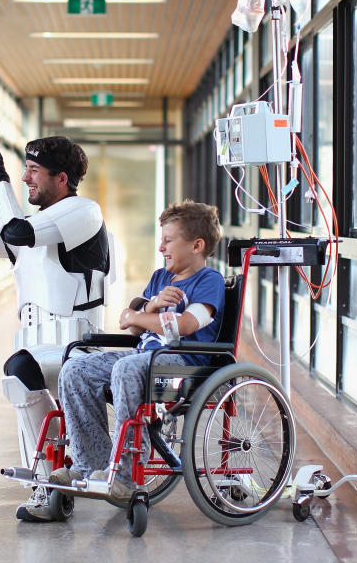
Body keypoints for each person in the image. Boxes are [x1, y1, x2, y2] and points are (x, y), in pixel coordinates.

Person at [48, 201, 226, 503]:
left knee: (127, 369)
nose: (161, 247)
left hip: (181, 367)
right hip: (145, 358)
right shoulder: (160, 278)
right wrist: (151, 308)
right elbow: (129, 327)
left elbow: (184, 325)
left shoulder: (210, 282)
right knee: (75, 369)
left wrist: (137, 315)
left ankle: (125, 475)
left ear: (197, 245)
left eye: (168, 240)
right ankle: (91, 465)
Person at [0, 135, 112, 522]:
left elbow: (16, 232)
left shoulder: (84, 211)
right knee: (19, 372)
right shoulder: (40, 225)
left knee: (18, 371)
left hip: (78, 347)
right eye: (24, 170)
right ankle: (50, 476)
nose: (25, 178)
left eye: (34, 171)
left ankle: (49, 481)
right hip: (42, 346)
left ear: (62, 178)